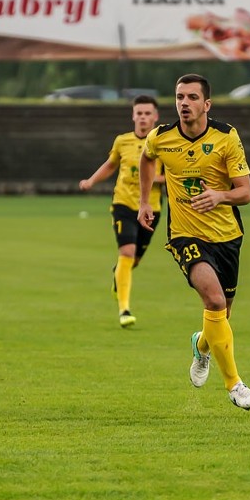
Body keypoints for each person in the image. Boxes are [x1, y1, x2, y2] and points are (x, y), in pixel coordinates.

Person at [137, 73, 250, 410]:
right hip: (185, 235)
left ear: (206, 104)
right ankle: (235, 385)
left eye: (192, 97)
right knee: (214, 300)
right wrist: (146, 201)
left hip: (227, 237)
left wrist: (219, 196)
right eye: (179, 97)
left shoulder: (226, 138)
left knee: (221, 314)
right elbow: (147, 158)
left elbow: (246, 193)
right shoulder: (161, 137)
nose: (184, 103)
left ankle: (201, 346)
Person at [79, 95, 164, 328]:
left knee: (133, 260)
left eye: (148, 113)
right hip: (124, 204)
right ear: (133, 115)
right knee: (127, 252)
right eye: (139, 113)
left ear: (155, 117)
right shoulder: (122, 141)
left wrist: (154, 178)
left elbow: (174, 174)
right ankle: (124, 309)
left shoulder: (164, 142)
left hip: (151, 208)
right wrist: (91, 181)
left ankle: (119, 275)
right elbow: (111, 164)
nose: (143, 117)